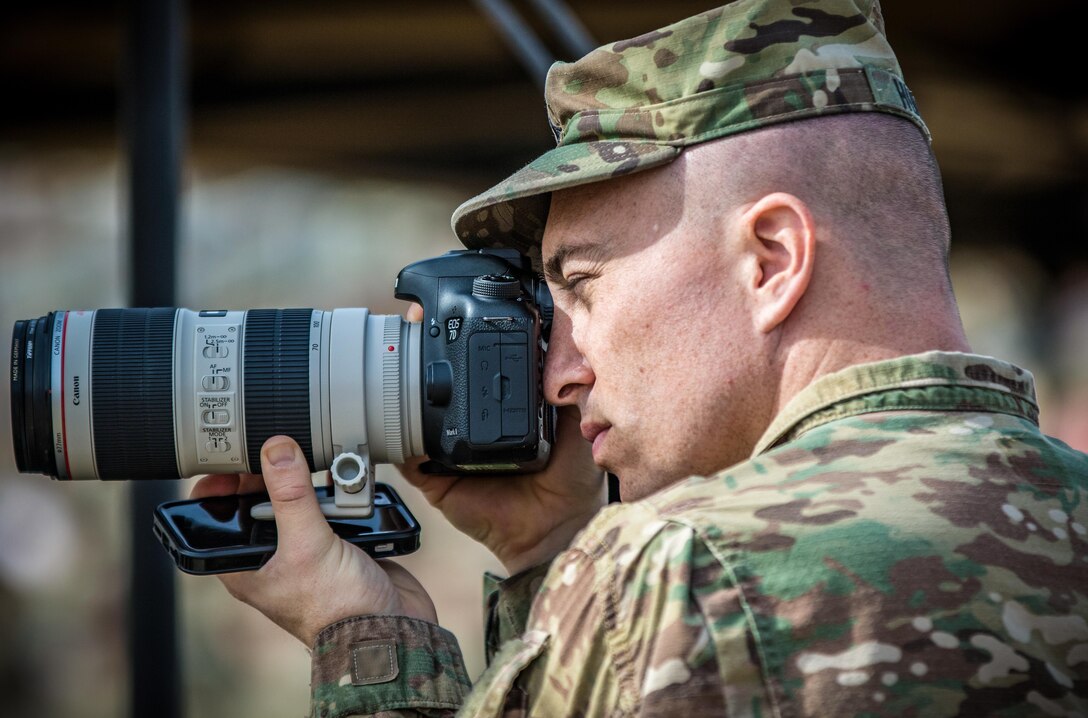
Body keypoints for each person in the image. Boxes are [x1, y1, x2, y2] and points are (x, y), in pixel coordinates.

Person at [192, 1, 1088, 715]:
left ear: (771, 260)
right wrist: (545, 547)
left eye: (581, 286)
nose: (557, 371)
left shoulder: (680, 571)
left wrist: (361, 635)